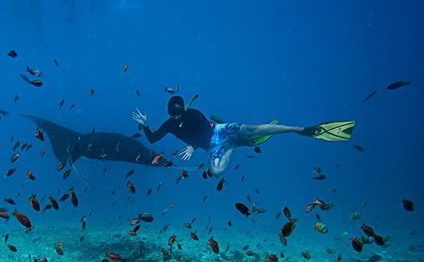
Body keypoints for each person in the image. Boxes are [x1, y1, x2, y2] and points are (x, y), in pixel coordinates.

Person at [132, 95, 355, 176]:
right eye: (173, 115)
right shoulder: (169, 124)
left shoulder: (194, 113)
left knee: (252, 128)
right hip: (214, 146)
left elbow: (202, 129)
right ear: (170, 114)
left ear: (183, 110)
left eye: (179, 114)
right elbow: (152, 139)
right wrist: (145, 125)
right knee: (217, 171)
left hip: (218, 130)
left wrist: (191, 146)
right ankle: (232, 147)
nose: (177, 118)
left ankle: (302, 130)